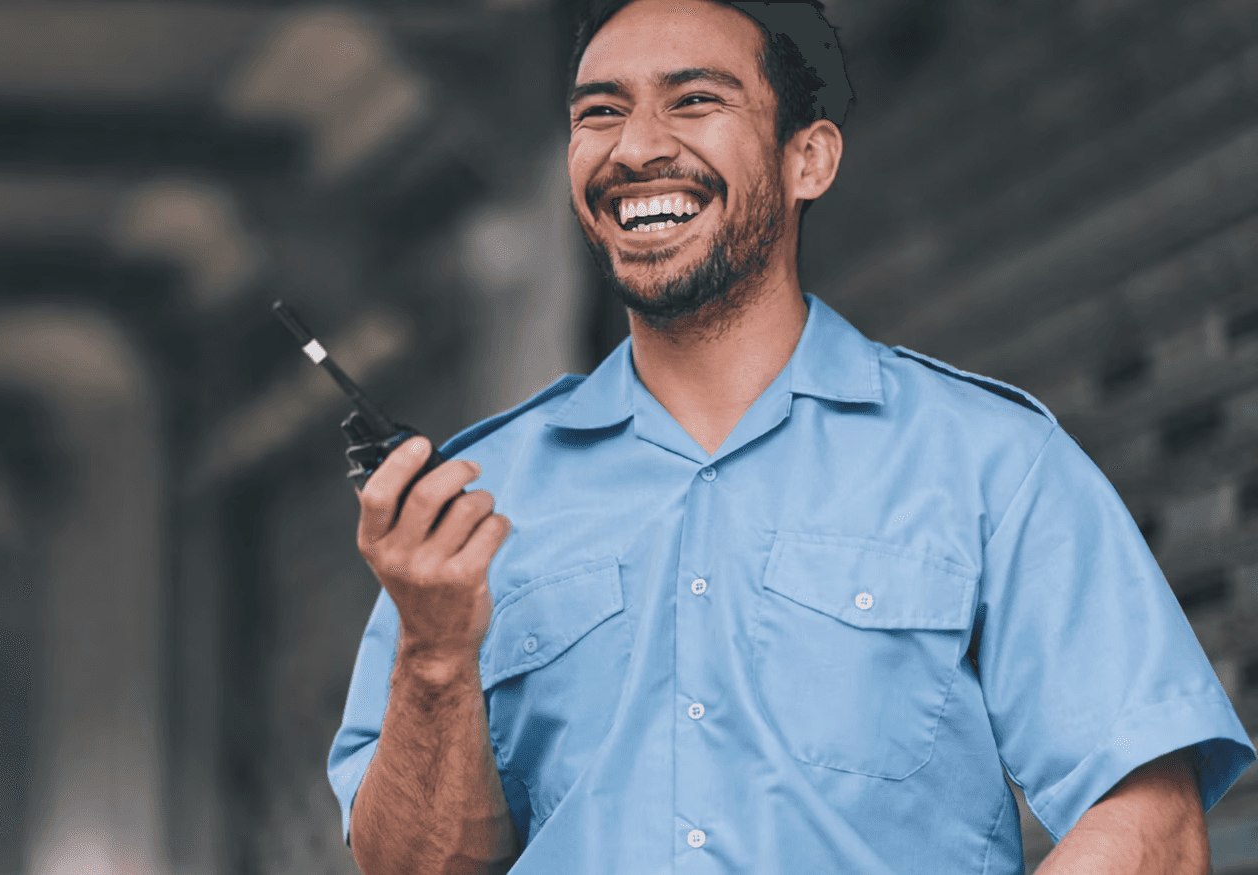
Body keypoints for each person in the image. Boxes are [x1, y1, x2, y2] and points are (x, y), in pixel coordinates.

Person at [328, 1, 1256, 872]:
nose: (636, 147)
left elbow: (1151, 818)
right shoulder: (477, 498)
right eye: (598, 112)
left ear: (808, 158)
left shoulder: (990, 462)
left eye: (694, 100)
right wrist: (439, 647)